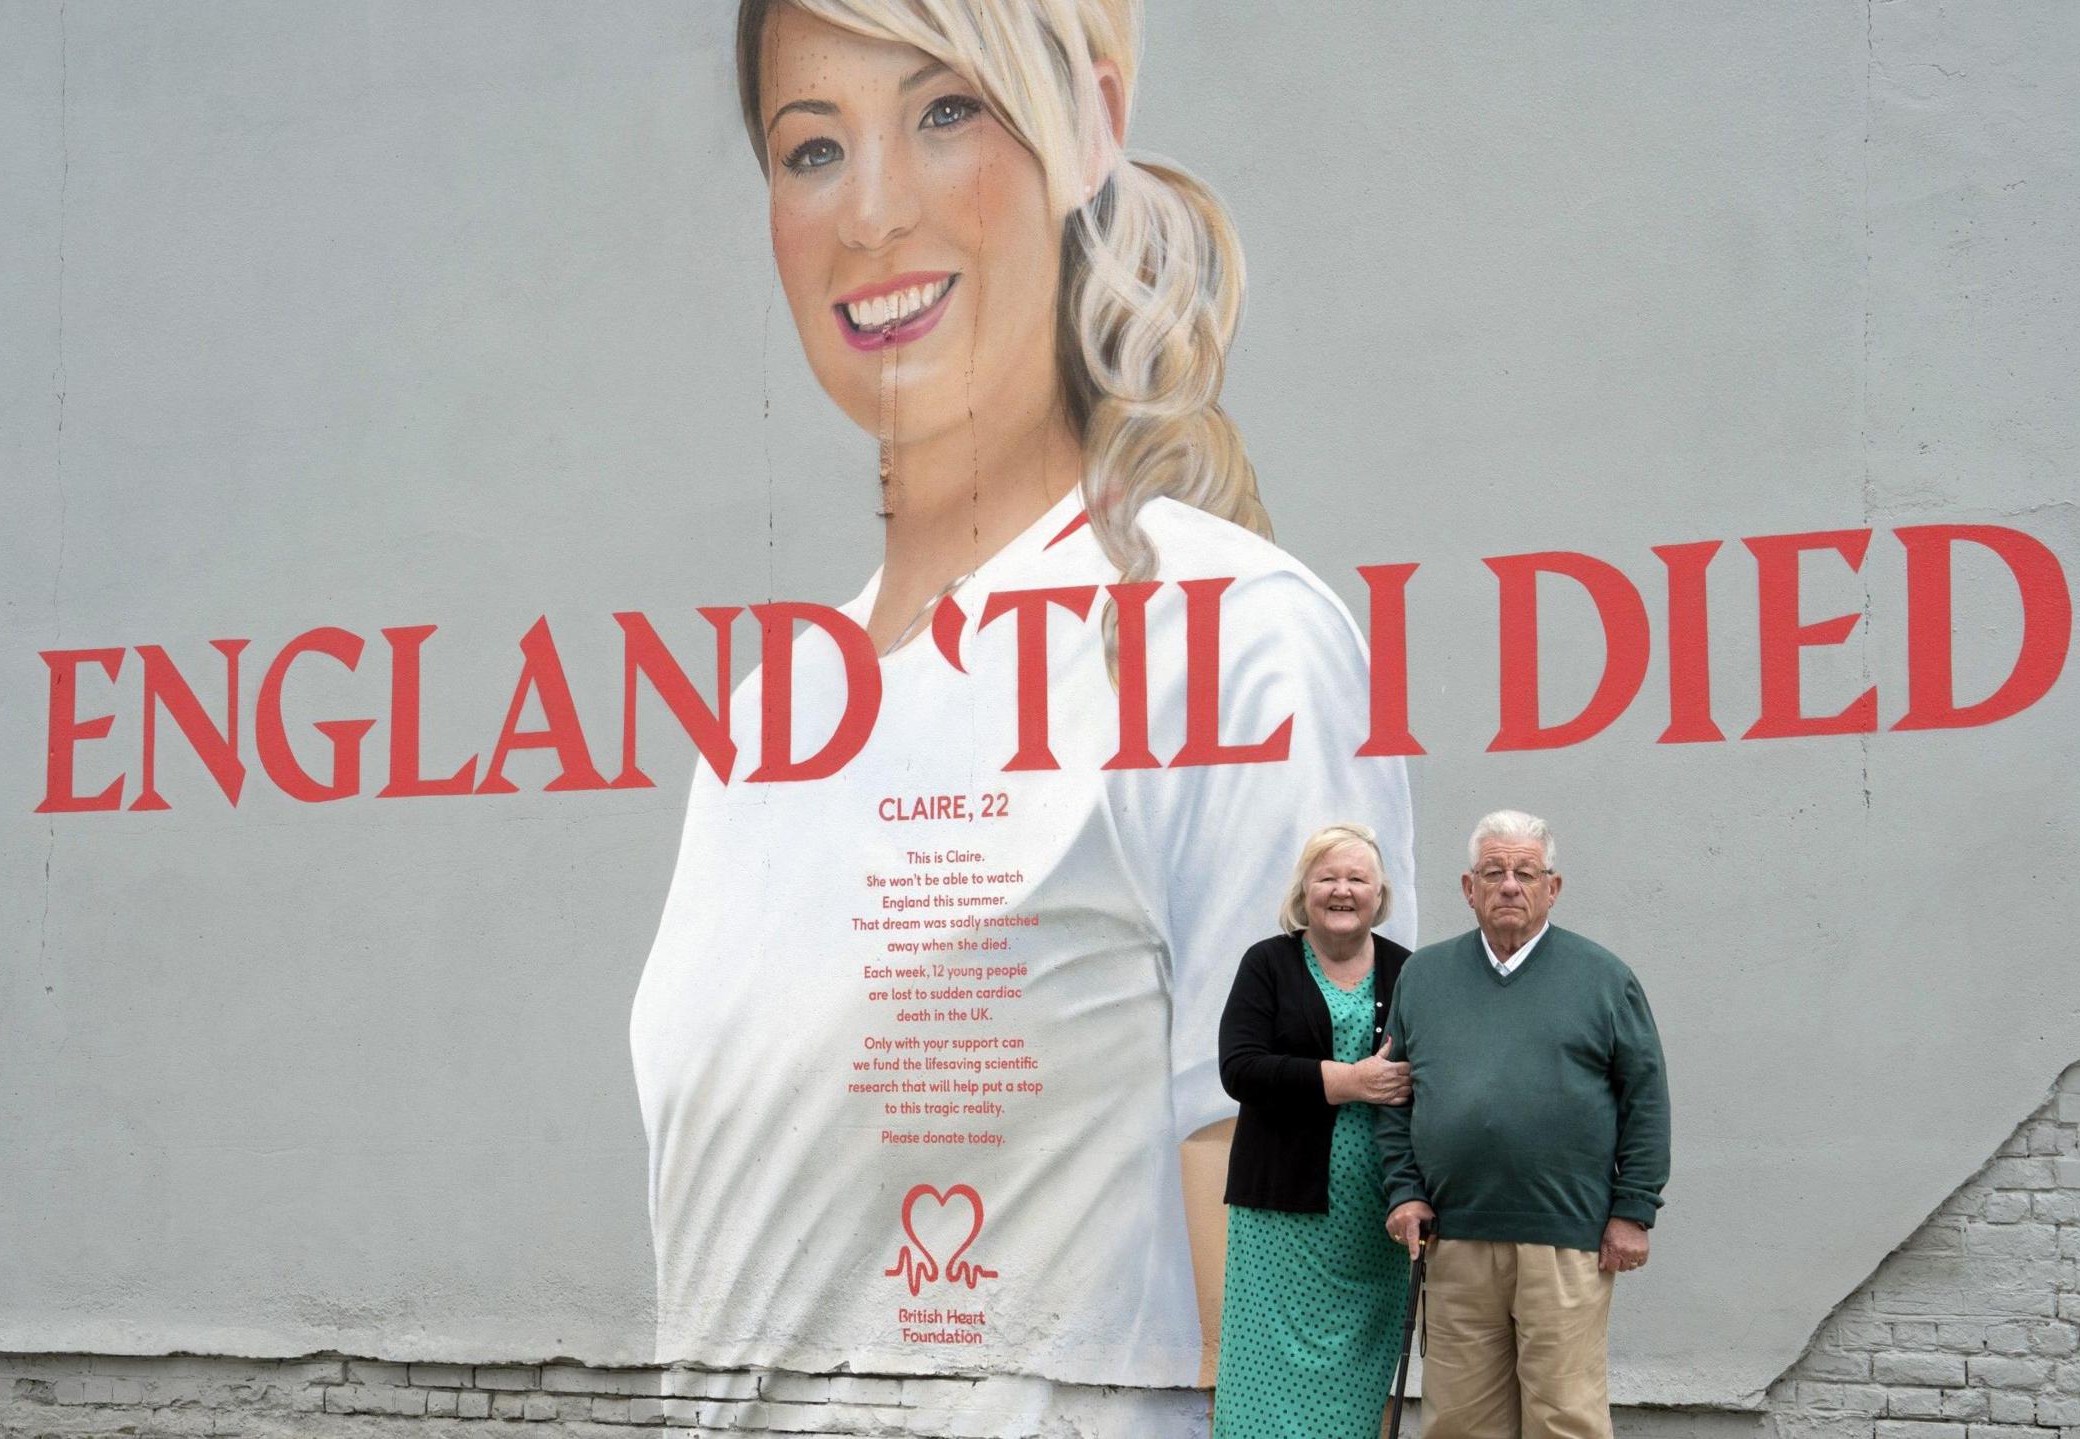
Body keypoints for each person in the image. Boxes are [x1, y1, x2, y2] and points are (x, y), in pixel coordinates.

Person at [628, 0, 1417, 1391]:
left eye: (945, 113)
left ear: (1093, 120)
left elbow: (1305, 1234)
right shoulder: (762, 721)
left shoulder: (1230, 636)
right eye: (811, 149)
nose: (870, 215)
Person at [1377, 811, 1670, 1439]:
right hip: (1453, 1239)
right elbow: (1393, 1097)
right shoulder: (1422, 977)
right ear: (1468, 887)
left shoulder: (1604, 978)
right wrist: (1404, 1192)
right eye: (1494, 871)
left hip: (1568, 1239)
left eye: (1525, 872)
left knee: (1564, 1417)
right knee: (1459, 1421)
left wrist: (1633, 1210)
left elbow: (1646, 1099)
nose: (1510, 885)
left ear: (1552, 887)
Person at [1211, 824, 1416, 1438]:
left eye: (1357, 878)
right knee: (1265, 1372)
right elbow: (1239, 1068)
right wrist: (1348, 1082)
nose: (1342, 890)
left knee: (1354, 1376)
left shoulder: (1410, 971)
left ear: (1380, 894)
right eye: (1327, 877)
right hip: (1280, 1215)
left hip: (1374, 1214)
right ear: (1304, 890)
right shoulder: (1268, 963)